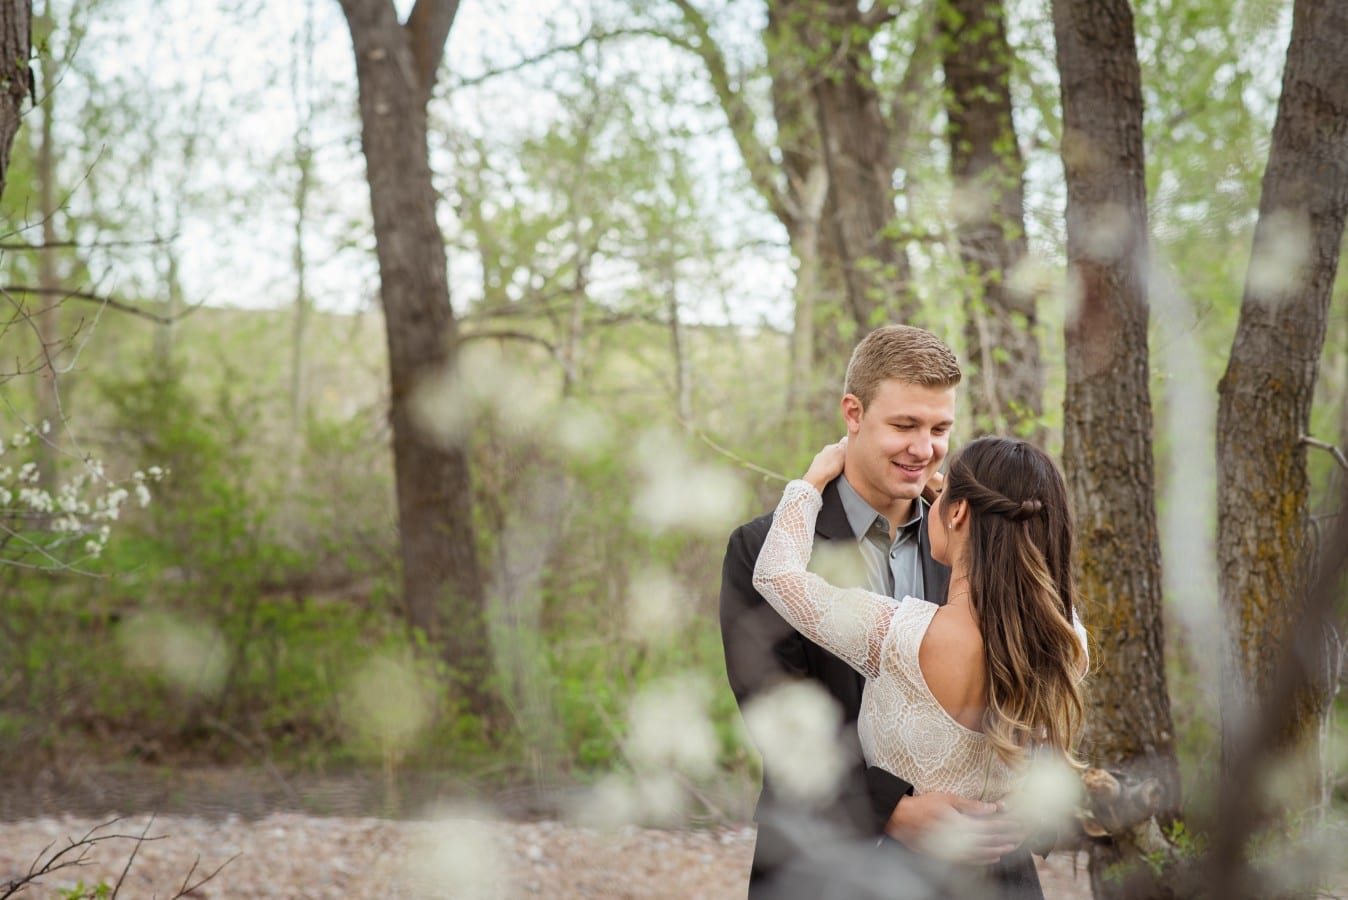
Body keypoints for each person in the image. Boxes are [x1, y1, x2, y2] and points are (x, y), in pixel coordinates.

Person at [720, 325, 1027, 897]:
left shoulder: (986, 545)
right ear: (853, 413)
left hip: (981, 868)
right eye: (904, 425)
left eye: (940, 429)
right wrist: (892, 809)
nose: (924, 448)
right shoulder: (763, 547)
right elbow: (779, 717)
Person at [753, 434, 1089, 898]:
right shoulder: (1065, 641)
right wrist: (960, 498)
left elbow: (775, 573)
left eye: (945, 493)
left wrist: (815, 478)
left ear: (957, 512)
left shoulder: (898, 634)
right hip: (1008, 880)